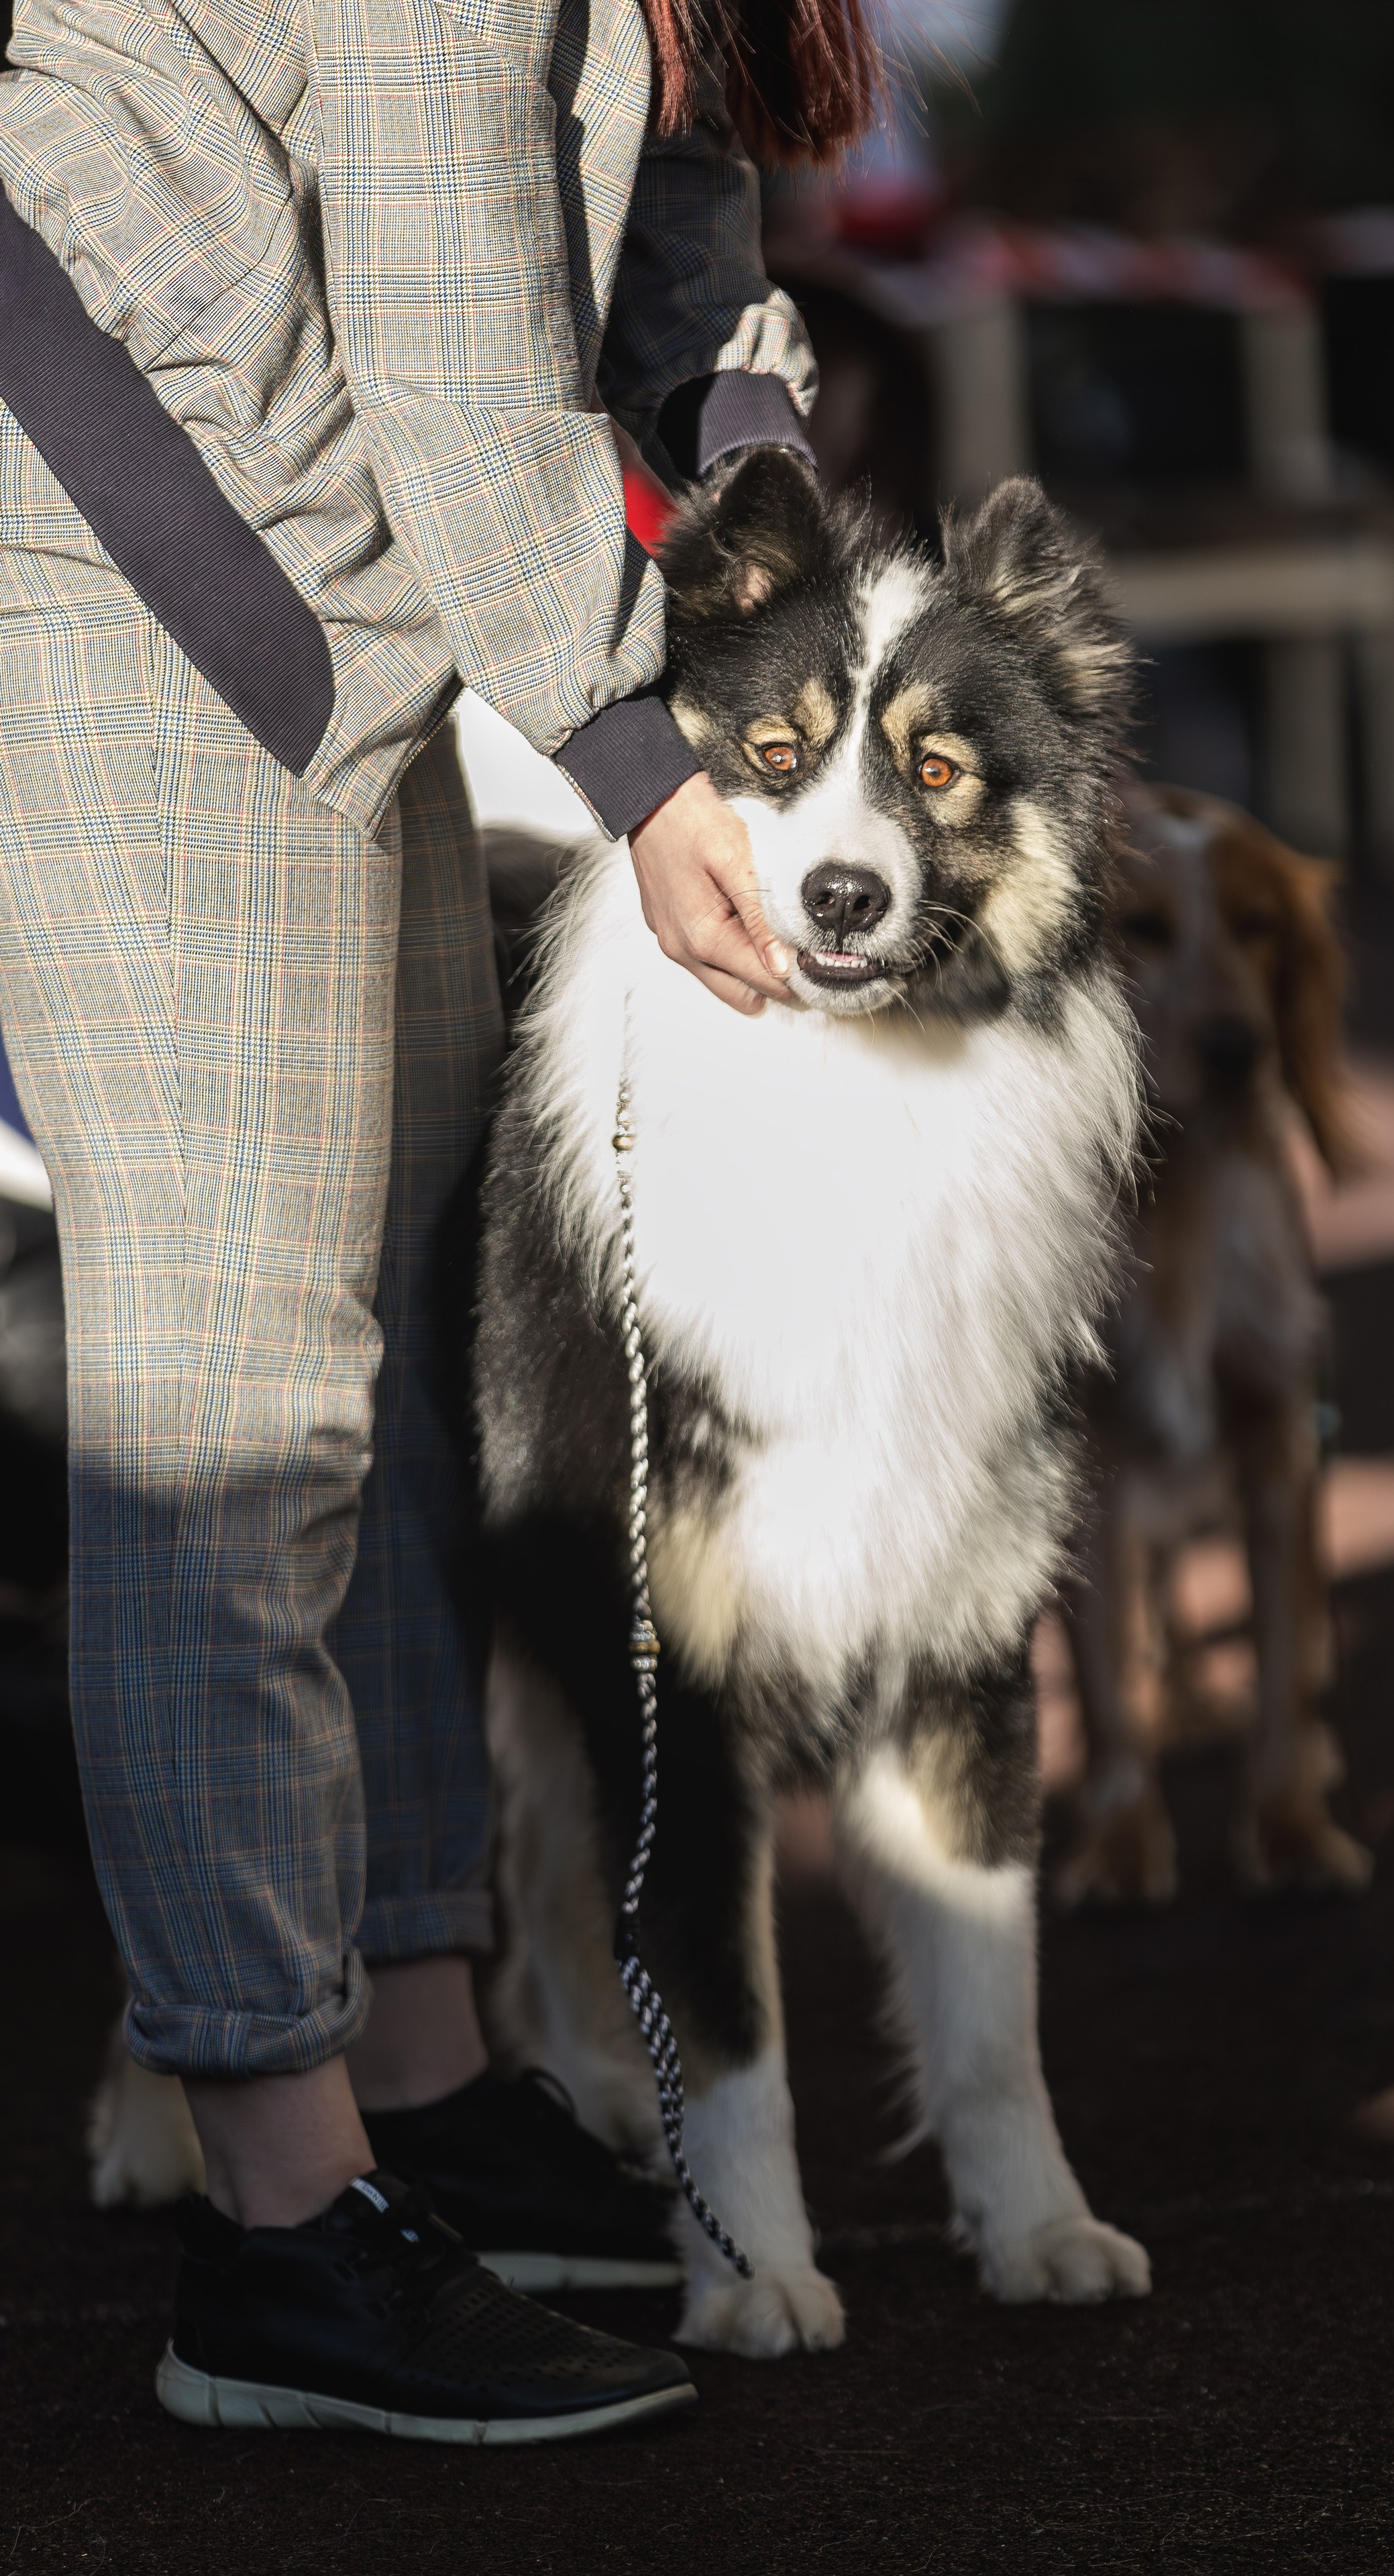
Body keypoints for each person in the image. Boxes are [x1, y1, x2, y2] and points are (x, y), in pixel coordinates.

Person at [0, 0, 875, 2444]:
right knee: (231, 1399)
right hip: (119, 525)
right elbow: (453, 298)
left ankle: (415, 2065)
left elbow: (673, 220)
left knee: (383, 1332)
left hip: (322, 523)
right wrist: (629, 756)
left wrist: (770, 540)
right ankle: (274, 2226)